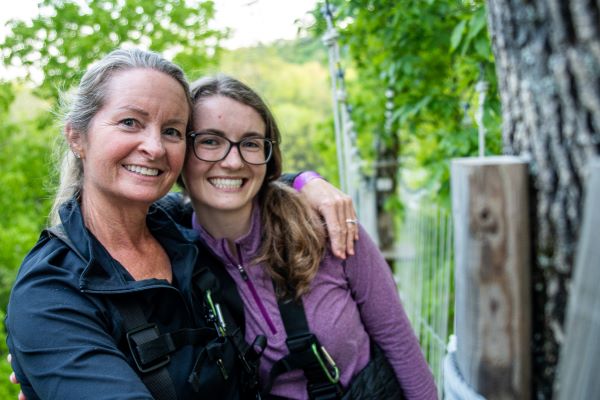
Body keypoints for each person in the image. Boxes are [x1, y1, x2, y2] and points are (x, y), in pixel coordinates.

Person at [5, 48, 358, 400]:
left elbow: (234, 182)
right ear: (77, 137)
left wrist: (305, 182)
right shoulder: (50, 296)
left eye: (172, 131)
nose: (155, 147)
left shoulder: (177, 228)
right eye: (130, 122)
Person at [169, 74, 438, 399]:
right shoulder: (175, 254)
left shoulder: (328, 227)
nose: (233, 161)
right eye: (210, 141)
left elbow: (398, 340)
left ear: (269, 157)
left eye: (251, 143)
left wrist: (304, 180)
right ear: (180, 149)